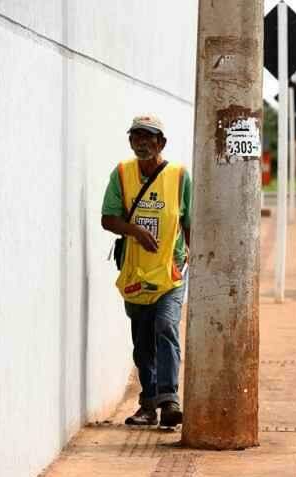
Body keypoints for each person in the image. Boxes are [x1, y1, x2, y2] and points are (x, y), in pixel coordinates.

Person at [101, 114, 192, 427]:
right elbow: (108, 219)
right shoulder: (122, 174)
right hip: (136, 274)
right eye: (136, 137)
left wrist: (195, 256)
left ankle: (169, 400)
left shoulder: (180, 176)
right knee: (142, 342)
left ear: (161, 143)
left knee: (165, 327)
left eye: (148, 137)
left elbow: (189, 222)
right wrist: (136, 232)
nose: (141, 142)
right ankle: (148, 403)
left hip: (170, 273)